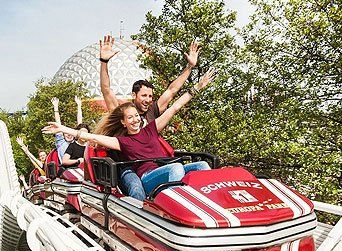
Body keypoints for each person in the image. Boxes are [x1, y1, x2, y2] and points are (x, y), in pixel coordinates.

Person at [44, 70, 216, 198]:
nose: (134, 120)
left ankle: (207, 204)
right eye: (130, 118)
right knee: (176, 168)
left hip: (164, 171)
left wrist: (198, 87)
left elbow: (175, 107)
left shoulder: (151, 128)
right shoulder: (122, 141)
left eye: (136, 117)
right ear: (123, 122)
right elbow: (92, 137)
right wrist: (62, 128)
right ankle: (175, 208)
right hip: (147, 177)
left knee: (202, 165)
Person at [99, 35, 200, 198]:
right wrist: (104, 62)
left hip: (153, 164)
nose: (148, 100)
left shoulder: (153, 110)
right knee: (136, 188)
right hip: (129, 166)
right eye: (144, 96)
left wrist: (189, 66)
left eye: (150, 96)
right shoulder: (123, 112)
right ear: (134, 95)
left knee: (198, 165)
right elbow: (106, 90)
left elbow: (172, 91)